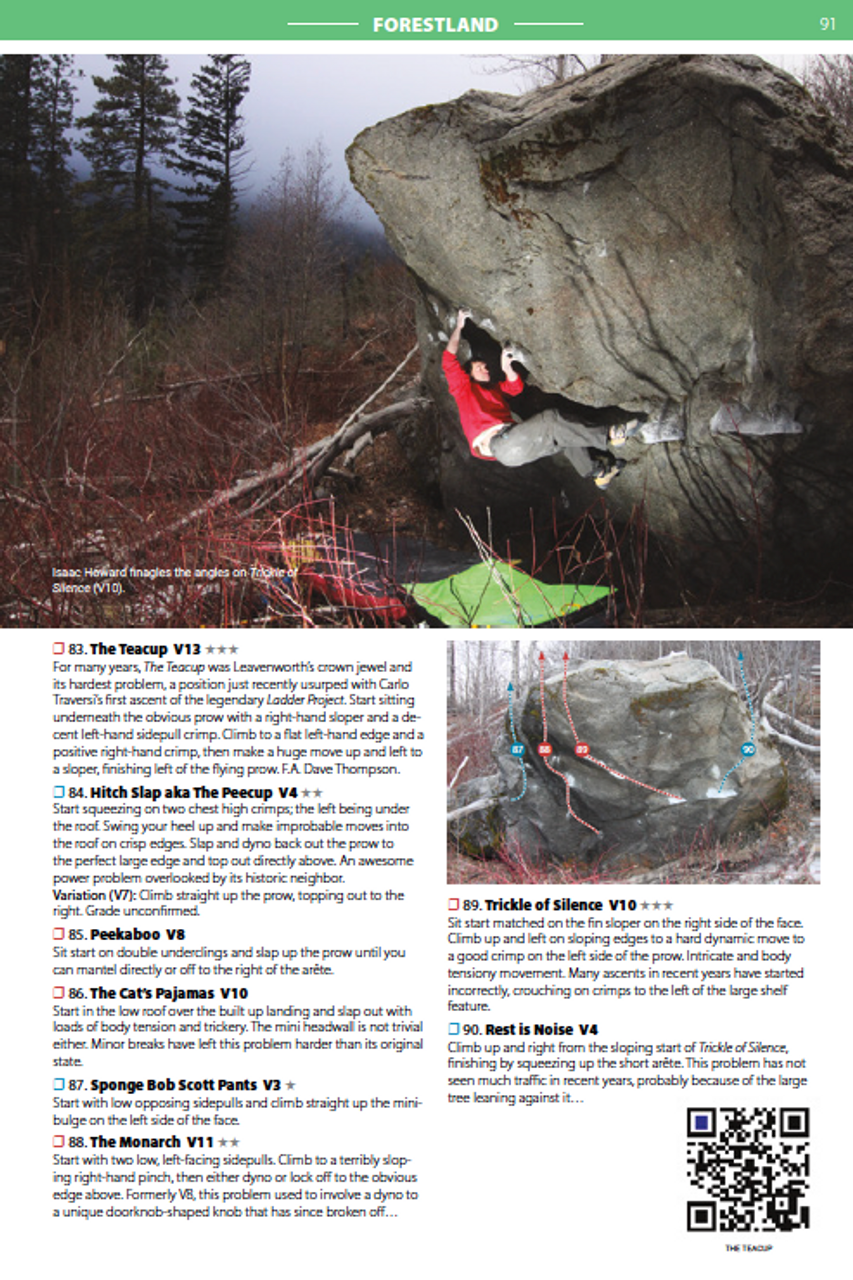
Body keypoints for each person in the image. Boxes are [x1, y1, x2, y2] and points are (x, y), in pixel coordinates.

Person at [442, 308, 637, 488]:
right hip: (500, 445)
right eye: (479, 367)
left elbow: (515, 388)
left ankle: (598, 472)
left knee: (564, 435)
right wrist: (459, 325)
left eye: (485, 367)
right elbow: (448, 359)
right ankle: (609, 434)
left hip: (514, 445)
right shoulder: (463, 389)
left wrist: (507, 367)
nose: (485, 369)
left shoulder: (494, 390)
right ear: (469, 374)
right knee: (551, 419)